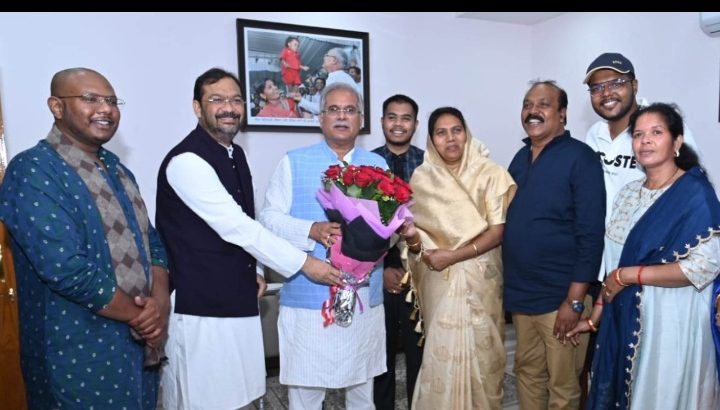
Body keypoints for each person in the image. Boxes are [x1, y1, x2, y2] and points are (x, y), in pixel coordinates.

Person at [156, 67, 341, 410]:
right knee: (204, 398)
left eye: (236, 100)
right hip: (200, 305)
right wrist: (305, 263)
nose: (229, 108)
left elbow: (247, 217)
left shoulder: (235, 153)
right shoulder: (187, 161)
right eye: (217, 100)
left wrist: (255, 270)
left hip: (237, 295)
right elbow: (238, 227)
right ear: (197, 107)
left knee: (241, 395)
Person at [0, 67, 169, 409]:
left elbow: (151, 242)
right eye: (90, 99)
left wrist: (160, 304)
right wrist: (141, 317)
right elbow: (64, 267)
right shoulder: (33, 170)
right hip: (78, 350)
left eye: (112, 101)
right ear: (56, 106)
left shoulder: (119, 170)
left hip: (140, 348)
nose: (105, 109)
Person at [567, 103, 720, 409]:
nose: (645, 140)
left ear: (677, 142)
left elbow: (705, 266)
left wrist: (630, 276)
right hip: (622, 316)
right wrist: (596, 316)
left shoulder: (695, 194)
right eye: (638, 134)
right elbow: (615, 263)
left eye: (656, 132)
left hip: (672, 322)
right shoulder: (628, 193)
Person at [259, 82, 387, 410]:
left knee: (362, 393)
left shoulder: (378, 166)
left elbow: (390, 225)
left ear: (361, 119)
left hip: (363, 298)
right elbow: (268, 219)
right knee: (306, 393)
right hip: (308, 298)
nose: (342, 116)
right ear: (320, 118)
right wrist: (311, 230)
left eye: (350, 110)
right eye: (333, 109)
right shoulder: (293, 162)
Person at [399, 107, 516, 409]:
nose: (450, 138)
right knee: (439, 357)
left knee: (484, 360)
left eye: (456, 130)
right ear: (431, 139)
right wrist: (411, 237)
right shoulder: (422, 179)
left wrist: (453, 256)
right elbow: (418, 248)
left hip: (481, 278)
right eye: (441, 132)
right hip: (438, 281)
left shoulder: (490, 173)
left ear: (467, 133)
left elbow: (497, 231)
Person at [503, 80, 606, 409]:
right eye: (527, 104)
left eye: (543, 104)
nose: (533, 111)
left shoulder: (581, 158)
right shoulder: (520, 158)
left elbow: (591, 234)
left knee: (562, 386)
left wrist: (574, 301)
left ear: (562, 114)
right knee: (527, 373)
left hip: (561, 298)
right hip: (522, 296)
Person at [583, 52, 699, 277]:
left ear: (634, 85)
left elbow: (692, 190)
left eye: (616, 83)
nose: (606, 93)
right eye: (596, 88)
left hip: (652, 261)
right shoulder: (594, 134)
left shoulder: (663, 127)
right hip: (603, 260)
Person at [371, 94, 425, 410]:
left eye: (406, 118)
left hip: (422, 271)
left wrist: (414, 268)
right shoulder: (366, 165)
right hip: (378, 274)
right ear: (382, 122)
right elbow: (358, 227)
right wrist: (381, 269)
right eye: (392, 117)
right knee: (381, 355)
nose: (398, 124)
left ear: (415, 125)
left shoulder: (430, 165)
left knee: (420, 353)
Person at [297, 47, 359, 116]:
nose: (324, 58)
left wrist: (300, 100)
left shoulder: (336, 78)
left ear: (334, 60)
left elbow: (322, 108)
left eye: (326, 55)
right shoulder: (340, 77)